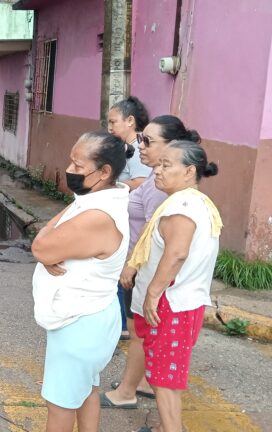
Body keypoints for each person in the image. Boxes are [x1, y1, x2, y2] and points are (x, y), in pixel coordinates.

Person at [32, 131, 130, 432]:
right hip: (91, 317)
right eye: (71, 162)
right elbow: (48, 237)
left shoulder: (96, 215)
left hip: (79, 325)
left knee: (60, 406)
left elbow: (40, 247)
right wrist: (47, 241)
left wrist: (45, 246)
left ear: (104, 172)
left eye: (78, 165)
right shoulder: (92, 200)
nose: (70, 170)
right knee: (86, 389)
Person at [101, 115, 201, 410]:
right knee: (143, 335)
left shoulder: (162, 186)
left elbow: (154, 233)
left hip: (144, 270)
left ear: (172, 148)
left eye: (148, 141)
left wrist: (131, 264)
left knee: (139, 335)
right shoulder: (154, 180)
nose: (141, 146)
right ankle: (142, 384)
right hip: (142, 268)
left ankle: (126, 392)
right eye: (141, 139)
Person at [130, 141, 221, 432]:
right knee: (166, 371)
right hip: (183, 301)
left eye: (166, 165)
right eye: (158, 164)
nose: (157, 170)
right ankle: (167, 427)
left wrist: (153, 293)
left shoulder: (182, 207)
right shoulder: (196, 201)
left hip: (171, 302)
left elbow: (177, 253)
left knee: (163, 378)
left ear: (189, 170)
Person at [106, 96, 151, 340]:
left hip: (135, 224)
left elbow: (140, 183)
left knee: (122, 276)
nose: (110, 127)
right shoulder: (125, 147)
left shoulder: (139, 149)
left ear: (130, 121)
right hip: (125, 221)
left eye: (113, 122)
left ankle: (124, 325)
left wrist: (108, 185)